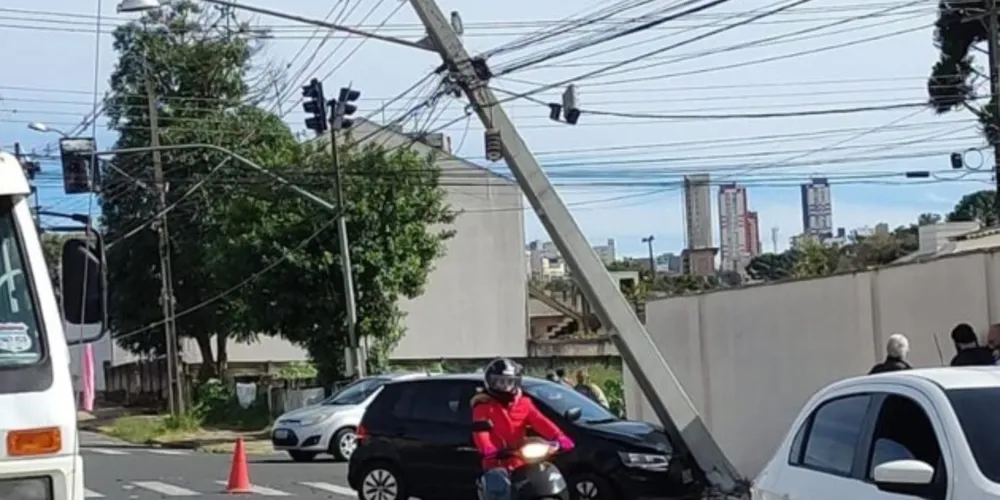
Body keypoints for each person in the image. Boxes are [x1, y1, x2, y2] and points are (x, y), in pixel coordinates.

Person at [472, 358, 575, 500]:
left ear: (516, 382)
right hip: (496, 461)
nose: (504, 386)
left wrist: (559, 437)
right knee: (498, 486)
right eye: (499, 382)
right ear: (490, 382)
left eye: (509, 382)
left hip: (521, 459)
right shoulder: (483, 407)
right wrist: (488, 449)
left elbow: (541, 421)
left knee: (541, 480)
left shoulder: (524, 403)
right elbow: (480, 432)